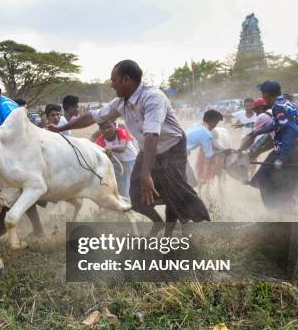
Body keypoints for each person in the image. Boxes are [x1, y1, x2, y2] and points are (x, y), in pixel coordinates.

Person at [49, 60, 210, 235]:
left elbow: (152, 135)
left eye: (114, 80)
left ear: (126, 80)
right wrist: (60, 128)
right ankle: (158, 223)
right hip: (147, 149)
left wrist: (146, 173)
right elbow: (93, 117)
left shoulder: (153, 97)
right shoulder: (120, 102)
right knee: (136, 197)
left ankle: (181, 232)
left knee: (174, 190)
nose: (112, 85)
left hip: (172, 147)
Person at [0, 75, 44, 237]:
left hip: (20, 159)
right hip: (6, 159)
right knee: (12, 192)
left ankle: (1, 227)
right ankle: (12, 227)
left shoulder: (7, 108)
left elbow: (18, 137)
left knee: (13, 190)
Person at [244, 81, 298, 210]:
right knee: (274, 181)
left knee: (269, 181)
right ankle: (282, 213)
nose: (262, 96)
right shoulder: (284, 102)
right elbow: (278, 124)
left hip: (297, 151)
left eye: (263, 93)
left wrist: (282, 158)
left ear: (267, 95)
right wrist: (258, 131)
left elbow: (290, 133)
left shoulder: (278, 107)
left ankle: (278, 214)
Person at [94, 121, 138, 198]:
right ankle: (124, 204)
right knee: (121, 188)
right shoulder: (100, 140)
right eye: (103, 128)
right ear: (100, 130)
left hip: (132, 161)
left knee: (136, 184)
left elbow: (122, 148)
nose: (106, 130)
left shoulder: (121, 131)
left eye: (109, 127)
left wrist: (109, 148)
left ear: (114, 125)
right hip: (118, 164)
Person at [185, 110, 224, 191]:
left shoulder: (195, 125)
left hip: (175, 151)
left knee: (188, 180)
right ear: (213, 122)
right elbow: (209, 156)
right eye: (216, 123)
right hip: (178, 156)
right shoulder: (207, 134)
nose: (215, 126)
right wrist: (223, 153)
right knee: (191, 182)